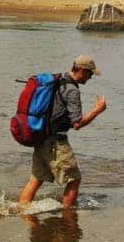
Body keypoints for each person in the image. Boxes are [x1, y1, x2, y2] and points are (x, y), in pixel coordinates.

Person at [17, 55, 107, 208]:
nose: (90, 77)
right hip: (55, 142)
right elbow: (77, 124)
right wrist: (97, 111)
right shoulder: (72, 90)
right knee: (74, 179)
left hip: (41, 137)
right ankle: (68, 218)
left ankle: (21, 210)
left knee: (36, 179)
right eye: (90, 73)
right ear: (81, 70)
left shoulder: (57, 80)